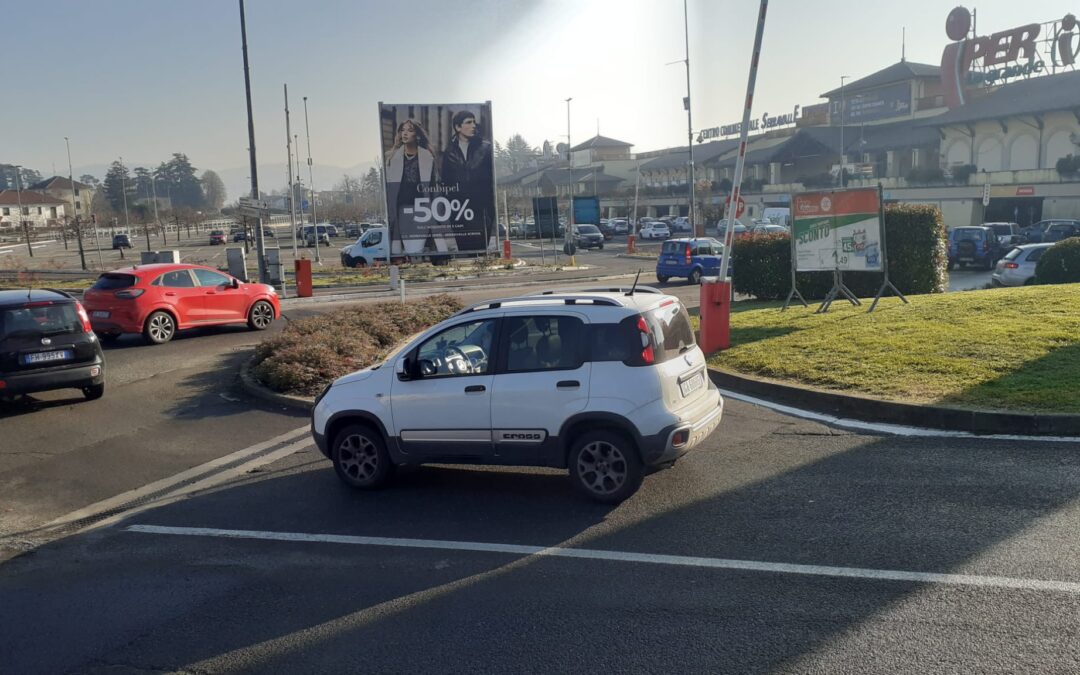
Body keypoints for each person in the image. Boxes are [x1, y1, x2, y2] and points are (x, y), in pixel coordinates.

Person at [384, 119, 454, 257]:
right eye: (403, 130)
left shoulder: (427, 156)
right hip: (402, 209)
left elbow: (435, 186)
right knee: (404, 247)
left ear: (417, 135)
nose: (405, 133)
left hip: (422, 209)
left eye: (410, 130)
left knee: (415, 249)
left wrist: (436, 210)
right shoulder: (391, 157)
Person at [441, 110, 494, 252]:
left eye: (474, 122)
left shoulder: (486, 148)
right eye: (468, 122)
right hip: (459, 209)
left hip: (481, 208)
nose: (473, 126)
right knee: (465, 249)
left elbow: (491, 178)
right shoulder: (449, 151)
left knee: (481, 249)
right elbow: (445, 181)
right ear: (458, 127)